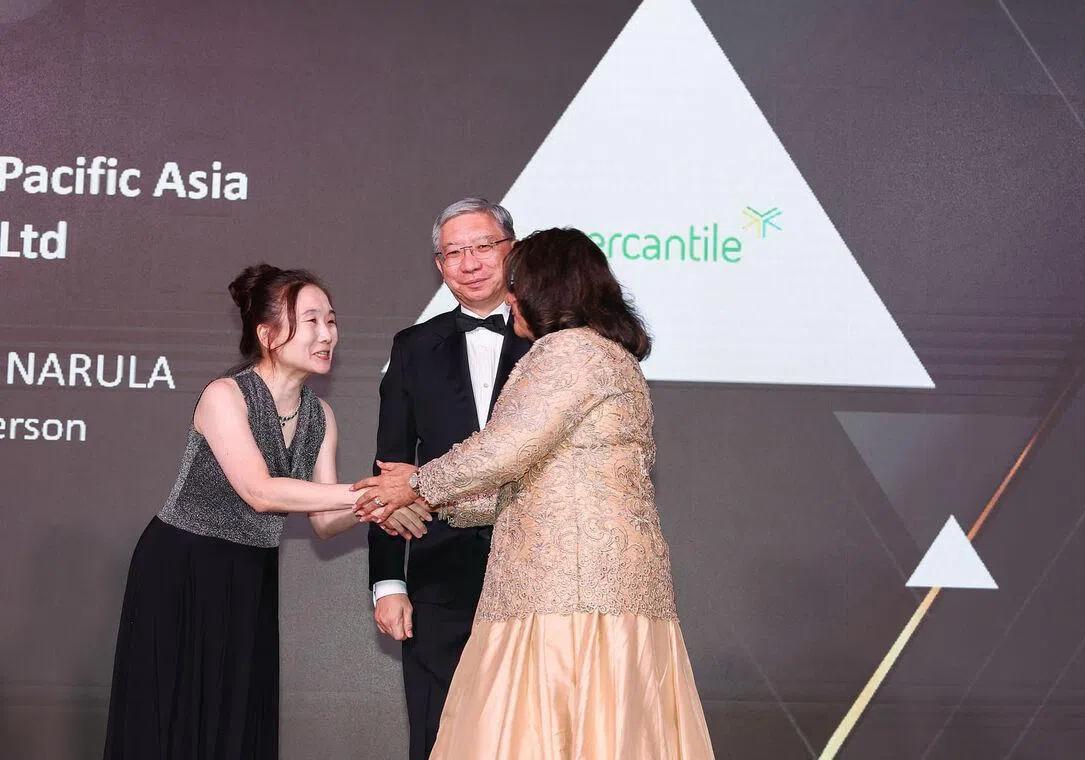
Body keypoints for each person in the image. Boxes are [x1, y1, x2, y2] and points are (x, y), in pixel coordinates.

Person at [355, 228, 717, 759]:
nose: (509, 297)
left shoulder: (570, 352)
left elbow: (504, 450)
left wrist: (414, 484)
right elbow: (530, 484)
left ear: (545, 288)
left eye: (516, 284)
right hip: (589, 585)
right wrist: (428, 502)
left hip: (571, 589)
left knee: (546, 730)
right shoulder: (602, 352)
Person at [103, 264, 376, 760]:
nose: (326, 335)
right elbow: (261, 492)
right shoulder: (225, 395)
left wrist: (379, 503)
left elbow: (323, 521)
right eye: (311, 321)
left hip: (252, 571)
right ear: (267, 335)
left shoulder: (320, 415)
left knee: (236, 714)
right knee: (174, 714)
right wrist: (371, 491)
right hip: (183, 568)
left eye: (331, 321)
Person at [366, 197, 531, 760]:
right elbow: (389, 469)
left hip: (538, 566)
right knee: (438, 733)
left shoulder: (553, 341)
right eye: (453, 252)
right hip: (440, 572)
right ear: (439, 265)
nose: (470, 263)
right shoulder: (413, 347)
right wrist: (389, 582)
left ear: (511, 249)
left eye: (483, 246)